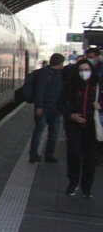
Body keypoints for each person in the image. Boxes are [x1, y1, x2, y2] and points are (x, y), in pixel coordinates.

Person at [57, 58, 98, 198]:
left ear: (91, 71)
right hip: (74, 125)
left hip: (92, 127)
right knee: (74, 154)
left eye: (86, 70)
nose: (84, 73)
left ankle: (87, 188)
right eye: (81, 70)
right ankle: (73, 183)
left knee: (90, 158)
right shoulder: (70, 85)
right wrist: (71, 115)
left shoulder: (98, 86)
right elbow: (61, 104)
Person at [29, 53, 64, 163]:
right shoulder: (44, 74)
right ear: (60, 63)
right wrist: (39, 106)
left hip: (56, 109)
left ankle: (49, 155)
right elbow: (40, 90)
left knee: (53, 132)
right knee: (39, 131)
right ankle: (33, 154)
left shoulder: (59, 74)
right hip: (43, 108)